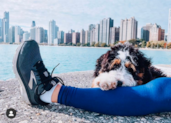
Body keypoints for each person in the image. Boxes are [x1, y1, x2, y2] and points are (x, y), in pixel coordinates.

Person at [13, 40, 171, 116]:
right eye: (115, 66)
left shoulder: (148, 74)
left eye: (130, 70)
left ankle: (48, 92)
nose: (122, 74)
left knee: (163, 88)